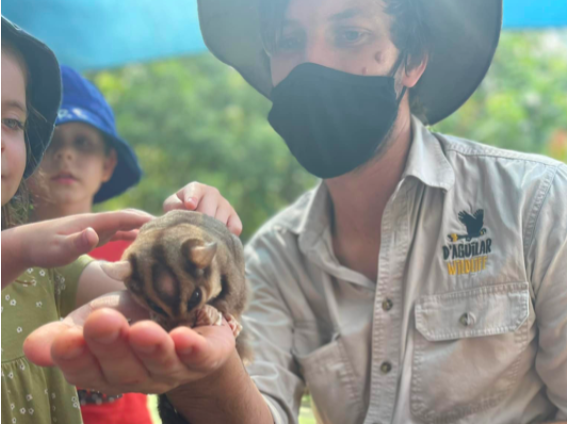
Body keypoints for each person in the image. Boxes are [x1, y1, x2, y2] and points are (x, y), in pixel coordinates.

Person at [24, 0, 567, 423]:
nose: (312, 63)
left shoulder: (535, 203)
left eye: (350, 34)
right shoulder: (271, 261)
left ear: (413, 60)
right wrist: (201, 366)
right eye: (287, 40)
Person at [1, 16, 242, 424]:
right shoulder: (29, 254)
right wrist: (16, 249)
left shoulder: (46, 270)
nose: (66, 156)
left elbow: (147, 295)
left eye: (12, 122)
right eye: (55, 141)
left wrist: (200, 239)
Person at [28, 65, 150, 424]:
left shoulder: (135, 250)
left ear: (108, 164)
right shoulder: (8, 257)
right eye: (49, 140)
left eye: (83, 142)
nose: (65, 154)